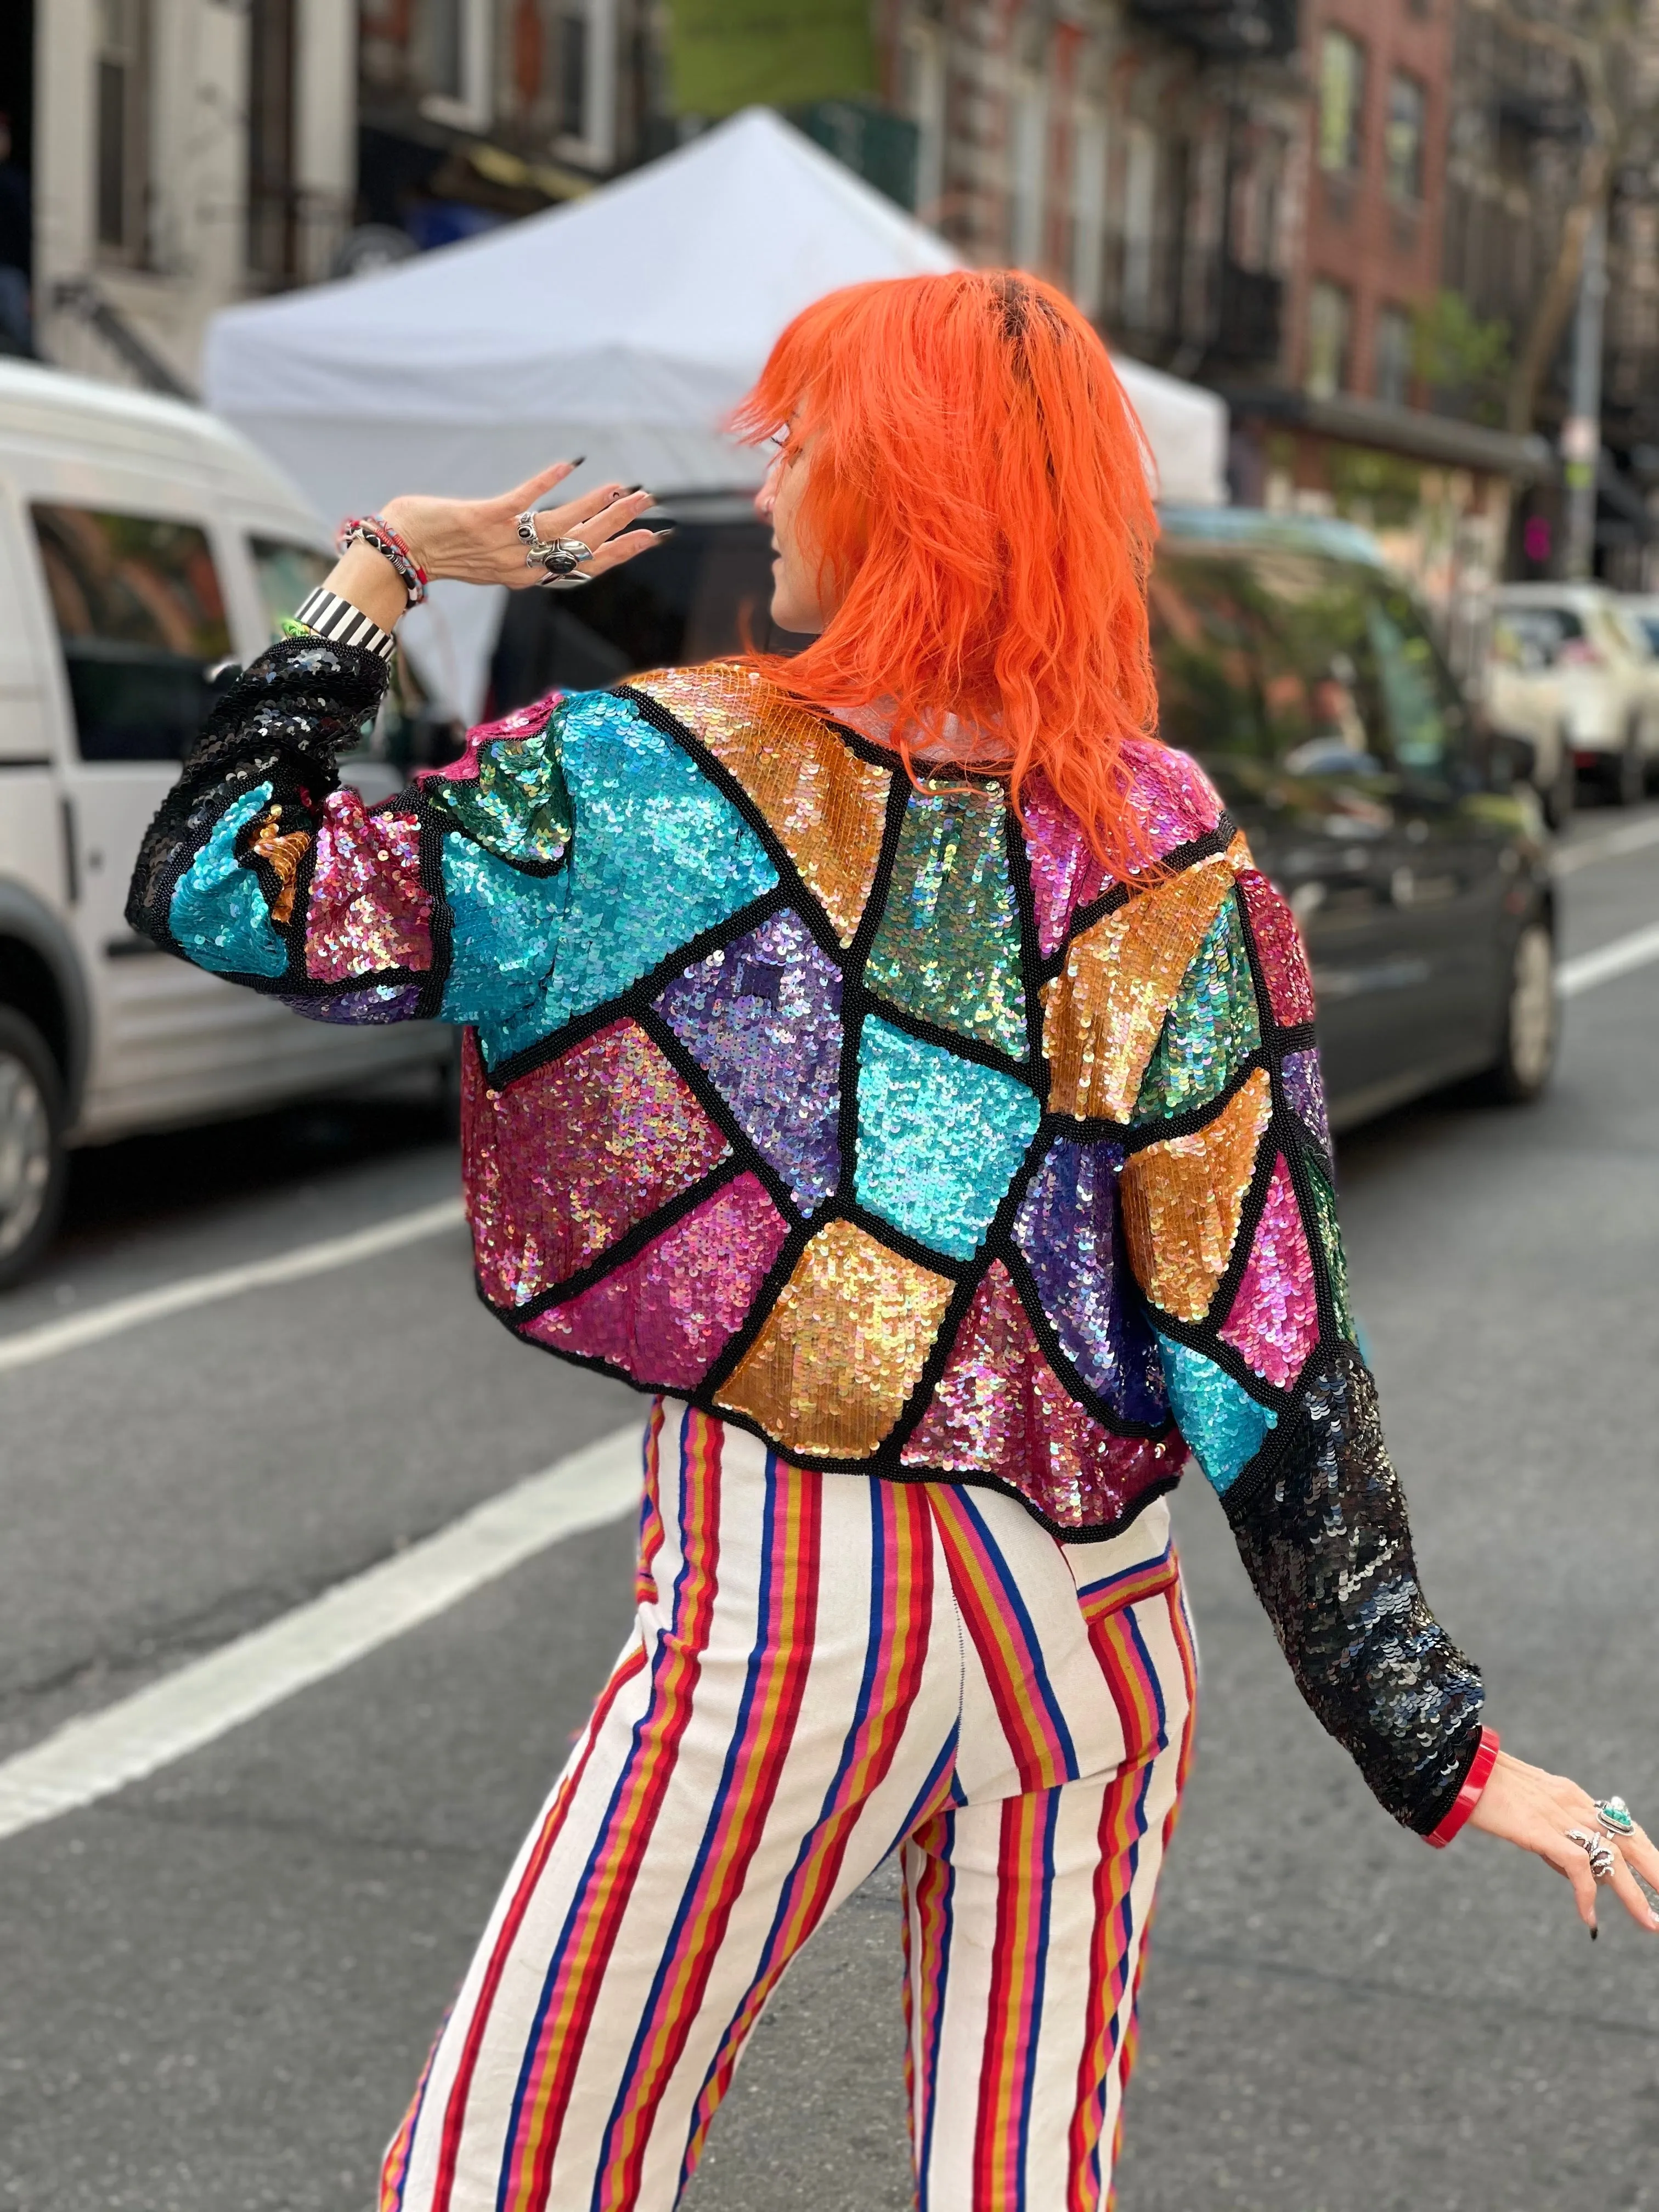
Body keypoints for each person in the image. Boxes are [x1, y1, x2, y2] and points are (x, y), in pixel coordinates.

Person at [128, 271, 1657, 2211]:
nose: (765, 482)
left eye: (803, 441)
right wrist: (1437, 1745)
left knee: (516, 2171)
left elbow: (228, 882)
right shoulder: (1164, 835)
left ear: (900, 487)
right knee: (1016, 2185)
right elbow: (1264, 1328)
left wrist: (379, 571)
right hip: (1101, 1636)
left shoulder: (657, 776)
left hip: (800, 1603)